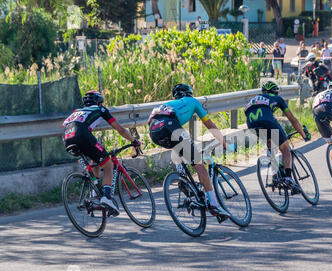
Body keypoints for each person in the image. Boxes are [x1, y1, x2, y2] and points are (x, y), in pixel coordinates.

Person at [148, 84, 233, 222]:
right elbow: (210, 125)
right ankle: (214, 205)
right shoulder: (193, 101)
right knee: (199, 164)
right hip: (170, 126)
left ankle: (183, 180)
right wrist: (223, 142)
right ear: (190, 94)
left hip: (154, 132)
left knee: (179, 149)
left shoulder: (167, 104)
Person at [63, 91, 141, 216]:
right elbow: (119, 129)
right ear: (99, 102)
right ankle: (106, 199)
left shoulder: (76, 111)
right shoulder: (100, 109)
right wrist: (134, 140)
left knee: (96, 160)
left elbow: (66, 124)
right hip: (82, 134)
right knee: (108, 165)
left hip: (67, 138)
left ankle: (94, 195)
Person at [245, 81, 310, 191]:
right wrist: (304, 135)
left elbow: (246, 111)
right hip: (267, 120)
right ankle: (289, 178)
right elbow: (292, 120)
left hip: (251, 123)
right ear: (276, 92)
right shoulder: (277, 98)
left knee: (271, 145)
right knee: (285, 148)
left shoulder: (253, 99)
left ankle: (275, 177)